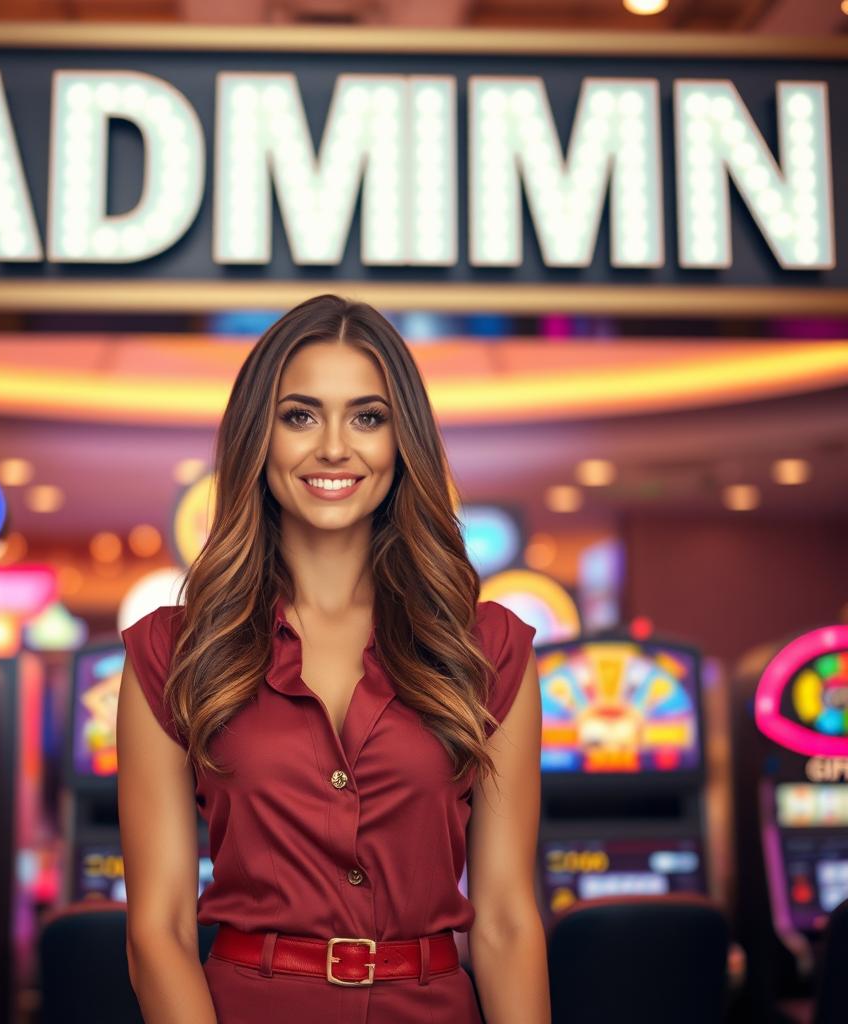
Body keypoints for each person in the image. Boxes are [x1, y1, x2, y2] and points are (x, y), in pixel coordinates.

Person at [117, 294, 549, 1024]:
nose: (334, 448)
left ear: (400, 439)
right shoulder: (171, 650)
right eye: (301, 415)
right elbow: (156, 932)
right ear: (260, 436)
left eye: (368, 417)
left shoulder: (489, 646)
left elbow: (506, 919)